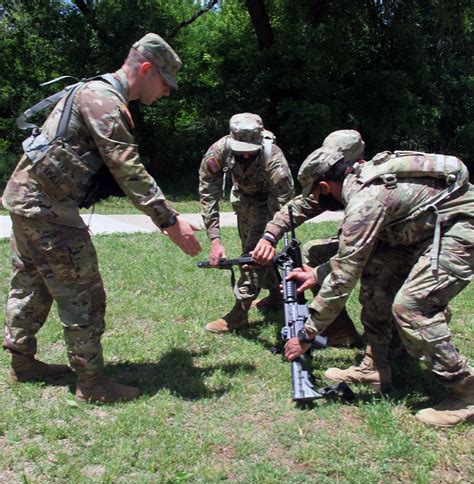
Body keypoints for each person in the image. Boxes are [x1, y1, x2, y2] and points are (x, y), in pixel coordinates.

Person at [2, 33, 201, 403]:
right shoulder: (104, 101)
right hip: (49, 210)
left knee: (31, 284)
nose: (167, 92)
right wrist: (170, 221)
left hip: (26, 200)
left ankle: (23, 364)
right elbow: (129, 170)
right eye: (164, 82)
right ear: (145, 69)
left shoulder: (91, 91)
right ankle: (91, 384)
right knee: (84, 295)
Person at [283, 131, 473, 427]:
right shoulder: (360, 185)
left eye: (317, 195)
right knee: (375, 282)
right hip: (417, 230)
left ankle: (466, 391)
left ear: (324, 185)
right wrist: (318, 272)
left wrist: (306, 335)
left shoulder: (364, 203)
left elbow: (343, 278)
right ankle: (375, 367)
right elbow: (356, 258)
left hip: (459, 228)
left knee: (413, 306)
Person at [252, 130, 365, 347]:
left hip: (399, 249)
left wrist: (308, 332)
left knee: (378, 288)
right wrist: (268, 237)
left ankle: (389, 351)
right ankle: (341, 331)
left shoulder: (363, 193)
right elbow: (299, 207)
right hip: (368, 243)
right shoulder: (333, 180)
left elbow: (351, 257)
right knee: (315, 251)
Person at [199, 113, 294, 333]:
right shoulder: (219, 150)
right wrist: (214, 240)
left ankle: (239, 314)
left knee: (253, 254)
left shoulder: (274, 160)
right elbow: (208, 194)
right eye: (239, 148)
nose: (244, 154)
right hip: (243, 202)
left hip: (269, 204)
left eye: (250, 150)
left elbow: (284, 206)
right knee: (252, 251)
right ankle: (277, 295)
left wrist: (270, 237)